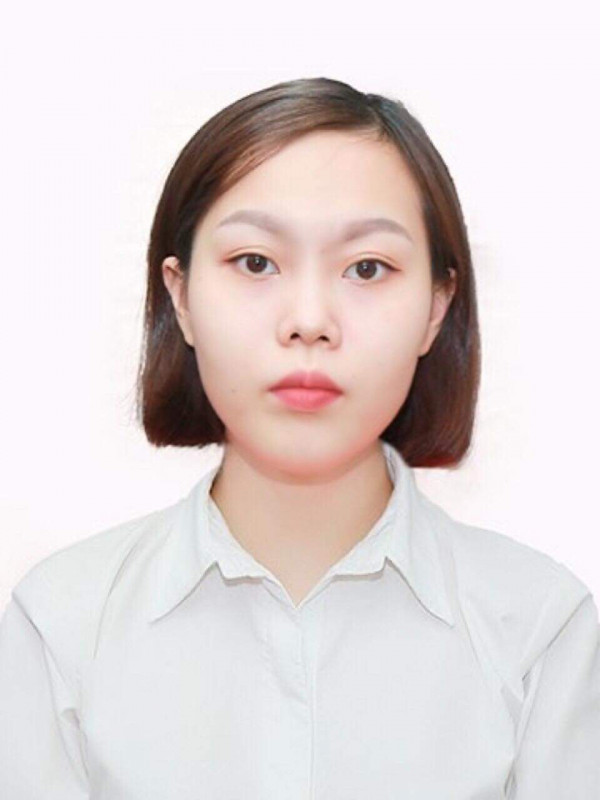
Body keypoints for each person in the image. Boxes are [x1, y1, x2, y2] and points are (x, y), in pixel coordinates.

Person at [0, 78, 598, 799]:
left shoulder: (542, 629)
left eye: (367, 268)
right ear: (181, 296)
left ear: (436, 309)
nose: (309, 320)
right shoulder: (61, 625)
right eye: (255, 262)